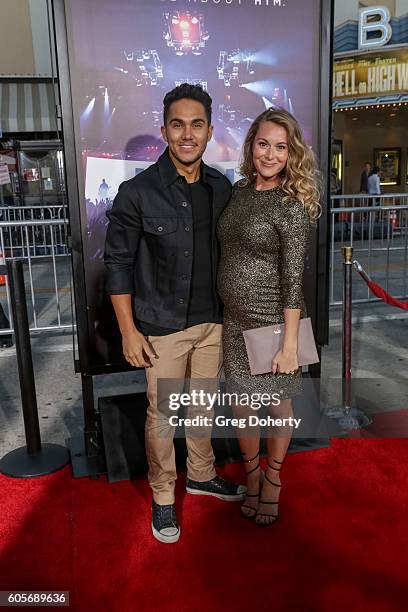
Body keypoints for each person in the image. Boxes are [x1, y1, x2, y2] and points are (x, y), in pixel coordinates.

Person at [104, 84, 245, 544]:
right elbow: (118, 264)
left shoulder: (221, 187)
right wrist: (128, 331)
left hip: (213, 325)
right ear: (164, 129)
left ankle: (201, 476)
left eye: (197, 124)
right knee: (163, 417)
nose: (188, 134)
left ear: (209, 130)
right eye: (178, 124)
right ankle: (164, 496)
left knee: (202, 410)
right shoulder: (137, 192)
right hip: (161, 328)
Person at [217, 108, 321, 526]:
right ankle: (253, 476)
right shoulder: (239, 190)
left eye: (281, 147)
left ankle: (274, 480)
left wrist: (290, 346)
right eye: (264, 144)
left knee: (278, 407)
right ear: (251, 145)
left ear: (291, 153)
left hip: (274, 325)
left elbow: (294, 281)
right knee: (242, 407)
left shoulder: (290, 206)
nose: (271, 154)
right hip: (234, 322)